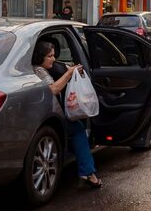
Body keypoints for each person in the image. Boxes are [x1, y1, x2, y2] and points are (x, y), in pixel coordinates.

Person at [32, 41, 102, 189]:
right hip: (44, 117)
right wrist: (69, 73)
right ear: (40, 57)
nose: (53, 59)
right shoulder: (38, 70)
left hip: (42, 115)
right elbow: (53, 89)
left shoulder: (38, 68)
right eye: (50, 56)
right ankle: (88, 172)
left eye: (54, 55)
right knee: (77, 128)